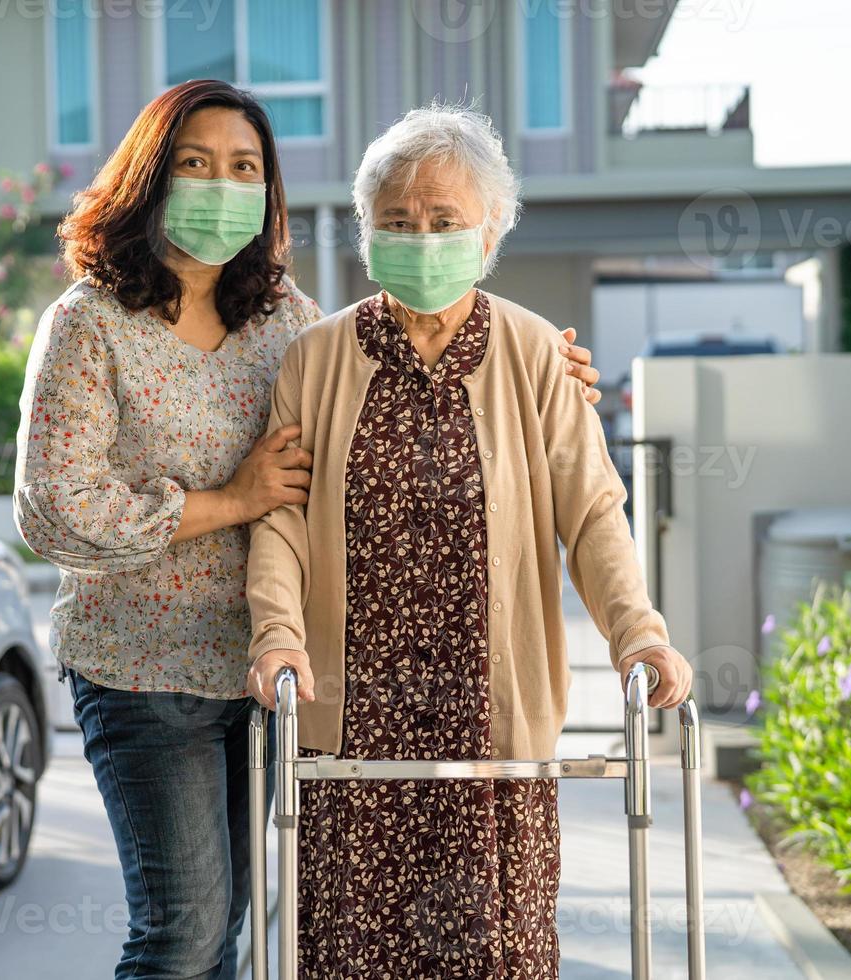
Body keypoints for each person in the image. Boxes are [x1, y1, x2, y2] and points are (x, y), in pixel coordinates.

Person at [15, 81, 600, 979]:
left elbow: (396, 352)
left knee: (243, 929)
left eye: (244, 166)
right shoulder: (90, 323)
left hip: (272, 677)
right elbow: (54, 507)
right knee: (183, 934)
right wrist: (229, 502)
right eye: (196, 164)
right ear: (150, 178)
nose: (221, 184)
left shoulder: (280, 318)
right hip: (148, 668)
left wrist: (538, 364)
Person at [245, 103, 694, 978]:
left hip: (491, 726)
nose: (421, 237)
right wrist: (278, 635)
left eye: (444, 220)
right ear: (367, 231)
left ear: (487, 233)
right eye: (398, 222)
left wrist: (638, 630)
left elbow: (593, 509)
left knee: (495, 951)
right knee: (347, 954)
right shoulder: (315, 358)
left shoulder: (533, 352)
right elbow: (282, 523)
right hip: (353, 731)